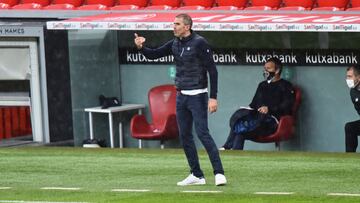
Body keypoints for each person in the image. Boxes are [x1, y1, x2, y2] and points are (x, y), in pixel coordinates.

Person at [134, 13, 226, 186]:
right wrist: (141, 47)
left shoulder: (200, 43)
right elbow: (153, 55)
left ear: (187, 26)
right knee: (185, 136)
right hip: (181, 96)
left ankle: (219, 173)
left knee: (203, 134)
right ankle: (197, 175)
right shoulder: (174, 43)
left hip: (198, 96)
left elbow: (213, 71)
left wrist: (213, 97)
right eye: (173, 23)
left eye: (177, 24)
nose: (173, 26)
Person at [221, 57, 295, 150]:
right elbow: (254, 104)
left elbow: (287, 106)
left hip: (273, 122)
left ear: (277, 70)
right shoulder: (262, 85)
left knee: (241, 129)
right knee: (240, 122)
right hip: (258, 118)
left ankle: (226, 146)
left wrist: (269, 109)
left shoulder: (286, 86)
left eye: (268, 68)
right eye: (265, 68)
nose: (265, 71)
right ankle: (232, 154)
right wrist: (254, 108)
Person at [345, 64, 360, 152]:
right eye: (347, 77)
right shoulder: (353, 92)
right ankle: (349, 158)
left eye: (350, 76)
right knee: (350, 127)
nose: (348, 79)